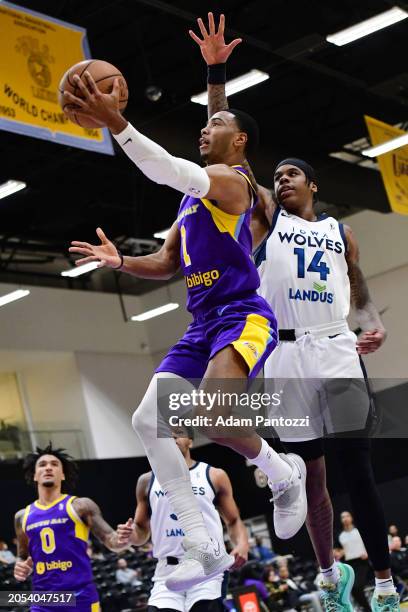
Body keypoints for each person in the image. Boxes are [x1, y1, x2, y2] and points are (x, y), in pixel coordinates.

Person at [64, 46, 308, 591]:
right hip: (200, 325)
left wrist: (117, 121)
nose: (205, 128)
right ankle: (200, 540)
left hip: (242, 315)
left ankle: (282, 471)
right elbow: (168, 262)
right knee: (147, 420)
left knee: (217, 418)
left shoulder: (235, 184)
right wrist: (122, 261)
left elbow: (165, 168)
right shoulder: (191, 203)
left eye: (216, 123)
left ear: (240, 142)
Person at [190, 11, 399, 612]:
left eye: (291, 175)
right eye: (275, 174)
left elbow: (356, 283)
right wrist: (216, 74)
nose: (280, 180)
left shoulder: (340, 230)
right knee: (311, 478)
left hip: (335, 346)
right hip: (283, 352)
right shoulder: (264, 215)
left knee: (358, 469)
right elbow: (223, 144)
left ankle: (384, 584)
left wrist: (372, 322)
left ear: (311, 185)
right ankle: (332, 575)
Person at [117, 429, 249, 612]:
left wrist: (242, 543)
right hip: (167, 571)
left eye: (178, 432)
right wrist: (131, 535)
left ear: (191, 442)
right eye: (165, 434)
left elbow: (234, 520)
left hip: (206, 568)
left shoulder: (213, 475)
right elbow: (141, 532)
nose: (171, 436)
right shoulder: (147, 481)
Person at [14, 443, 132, 612]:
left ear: (62, 474)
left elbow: (111, 541)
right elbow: (22, 556)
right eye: (42, 464)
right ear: (34, 475)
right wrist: (20, 567)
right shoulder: (22, 517)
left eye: (54, 464)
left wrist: (123, 539)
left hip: (80, 597)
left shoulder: (80, 506)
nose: (48, 468)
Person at [338, 511, 371, 612]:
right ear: (341, 520)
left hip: (362, 563)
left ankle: (367, 609)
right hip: (349, 565)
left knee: (356, 586)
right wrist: (338, 553)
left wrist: (367, 552)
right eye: (343, 517)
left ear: (351, 518)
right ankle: (366, 609)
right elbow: (337, 551)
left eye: (347, 516)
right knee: (351, 589)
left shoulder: (359, 531)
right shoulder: (340, 535)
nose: (345, 518)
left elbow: (369, 543)